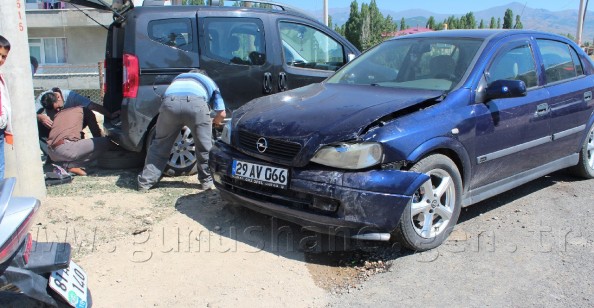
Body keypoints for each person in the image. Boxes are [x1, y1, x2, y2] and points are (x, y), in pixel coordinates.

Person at [137, 69, 226, 192]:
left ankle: (145, 183)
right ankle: (206, 182)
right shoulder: (209, 81)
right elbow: (222, 113)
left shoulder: (179, 77)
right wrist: (213, 122)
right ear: (204, 75)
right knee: (204, 147)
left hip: (170, 104)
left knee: (159, 145)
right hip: (196, 106)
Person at [40, 92, 113, 176]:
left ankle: (62, 164)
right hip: (65, 149)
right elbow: (96, 133)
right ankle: (70, 166)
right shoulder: (84, 110)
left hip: (51, 152)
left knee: (79, 142)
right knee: (106, 142)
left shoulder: (59, 114)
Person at [0, 35, 13, 179]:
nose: (1, 60)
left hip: (1, 129)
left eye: (4, 57)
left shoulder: (1, 77)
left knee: (0, 167)